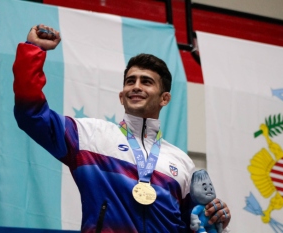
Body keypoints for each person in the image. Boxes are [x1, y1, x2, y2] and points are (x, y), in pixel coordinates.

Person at [13, 24, 231, 233]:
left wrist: (214, 219)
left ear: (165, 98)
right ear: (121, 96)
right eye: (130, 81)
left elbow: (191, 223)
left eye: (146, 82)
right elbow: (32, 116)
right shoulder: (90, 136)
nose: (136, 86)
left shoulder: (182, 162)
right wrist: (34, 51)